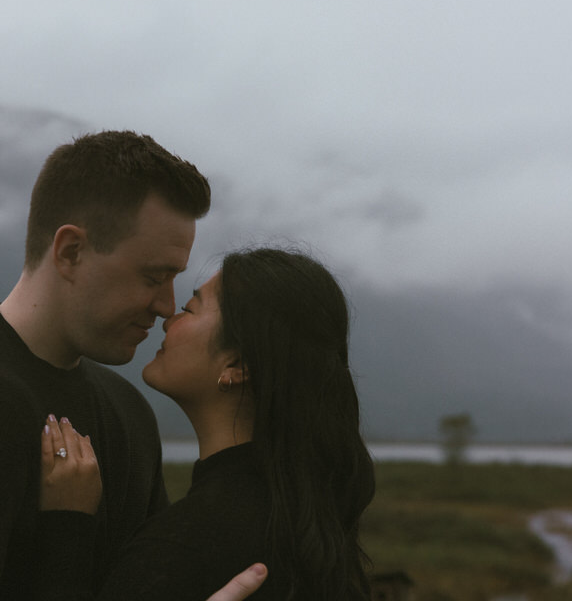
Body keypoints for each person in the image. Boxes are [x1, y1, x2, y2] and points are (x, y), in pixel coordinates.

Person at [0, 130, 265, 601]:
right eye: (153, 276)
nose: (166, 306)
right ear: (70, 251)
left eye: (174, 279)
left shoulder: (127, 411)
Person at [38, 247, 377, 600]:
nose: (168, 317)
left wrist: (68, 527)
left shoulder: (181, 549)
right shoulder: (302, 525)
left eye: (189, 308)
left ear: (237, 365)